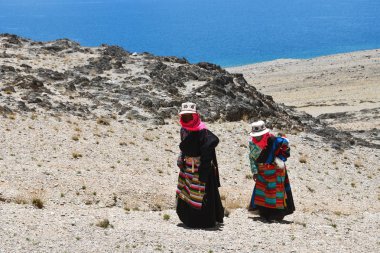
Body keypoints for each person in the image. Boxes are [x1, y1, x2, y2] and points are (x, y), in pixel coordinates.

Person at [175, 102, 224, 228]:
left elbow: (207, 153)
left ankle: (203, 221)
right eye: (184, 116)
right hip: (187, 167)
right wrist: (181, 159)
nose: (186, 119)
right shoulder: (183, 129)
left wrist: (204, 170)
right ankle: (189, 219)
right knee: (187, 192)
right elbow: (183, 147)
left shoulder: (203, 132)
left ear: (196, 116)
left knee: (201, 194)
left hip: (201, 167)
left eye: (189, 116)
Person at [248, 120, 295, 221]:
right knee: (263, 192)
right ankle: (264, 213)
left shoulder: (274, 140)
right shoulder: (252, 143)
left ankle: (276, 215)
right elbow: (251, 158)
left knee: (275, 193)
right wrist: (255, 171)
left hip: (276, 171)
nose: (256, 137)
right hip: (262, 171)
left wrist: (279, 159)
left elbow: (286, 148)